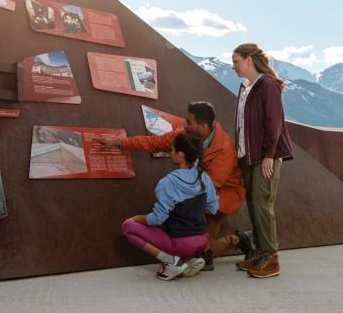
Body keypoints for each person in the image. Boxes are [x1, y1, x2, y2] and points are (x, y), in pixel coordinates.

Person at [97, 101, 250, 270]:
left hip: (222, 196)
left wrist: (175, 195)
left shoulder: (224, 148)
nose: (184, 125)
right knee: (195, 245)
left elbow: (210, 188)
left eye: (189, 122)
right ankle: (196, 253)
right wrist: (120, 143)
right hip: (198, 192)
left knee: (203, 250)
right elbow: (154, 143)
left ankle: (238, 239)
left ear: (203, 126)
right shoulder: (184, 135)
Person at [231, 43, 293, 279]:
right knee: (253, 202)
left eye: (236, 61)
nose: (233, 66)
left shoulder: (267, 85)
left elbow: (274, 123)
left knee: (263, 203)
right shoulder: (245, 86)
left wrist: (268, 154)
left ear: (248, 60)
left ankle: (271, 257)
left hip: (265, 156)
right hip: (248, 156)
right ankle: (259, 253)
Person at [121, 132, 218, 280]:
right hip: (202, 241)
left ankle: (171, 261)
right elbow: (213, 208)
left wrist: (136, 218)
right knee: (168, 223)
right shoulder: (204, 177)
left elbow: (157, 219)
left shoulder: (168, 182)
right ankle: (188, 259)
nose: (170, 153)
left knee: (128, 227)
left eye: (172, 150)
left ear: (180, 155)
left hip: (182, 243)